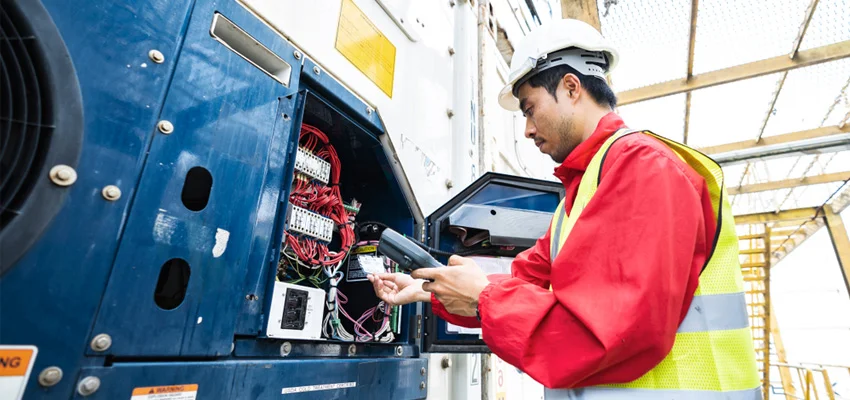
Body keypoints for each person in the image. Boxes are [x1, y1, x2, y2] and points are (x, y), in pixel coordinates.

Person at [368, 18, 761, 399]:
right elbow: (523, 281)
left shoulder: (645, 168)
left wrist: (482, 299)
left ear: (571, 88)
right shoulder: (584, 192)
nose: (526, 129)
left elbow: (610, 333)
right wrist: (426, 289)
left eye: (529, 108)